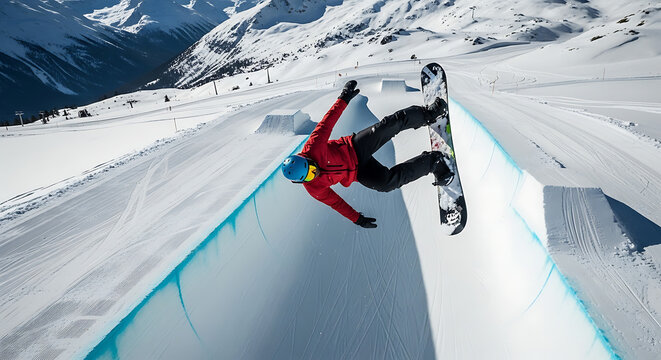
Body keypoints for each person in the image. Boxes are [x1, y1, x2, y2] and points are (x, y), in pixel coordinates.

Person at [281, 80, 453, 228]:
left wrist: (344, 98)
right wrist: (357, 219)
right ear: (302, 181)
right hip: (358, 172)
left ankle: (429, 114)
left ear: (306, 159)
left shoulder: (313, 146)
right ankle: (433, 162)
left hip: (354, 147)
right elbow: (335, 202)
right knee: (386, 184)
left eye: (312, 168)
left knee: (389, 125)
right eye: (311, 175)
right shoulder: (314, 188)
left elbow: (328, 121)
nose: (315, 172)